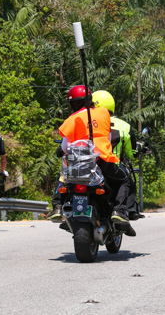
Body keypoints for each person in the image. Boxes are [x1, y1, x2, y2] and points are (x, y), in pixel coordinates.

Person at [48, 85, 133, 230]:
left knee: (62, 177)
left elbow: (64, 147)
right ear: (90, 100)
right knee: (124, 180)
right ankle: (118, 210)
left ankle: (57, 207)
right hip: (102, 160)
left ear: (72, 104)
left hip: (77, 164)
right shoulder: (103, 113)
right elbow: (108, 134)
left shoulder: (71, 120)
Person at [92, 90, 143, 220]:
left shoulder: (87, 122)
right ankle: (124, 210)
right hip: (111, 164)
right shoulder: (124, 126)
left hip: (87, 164)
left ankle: (60, 206)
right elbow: (132, 153)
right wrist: (139, 147)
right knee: (128, 182)